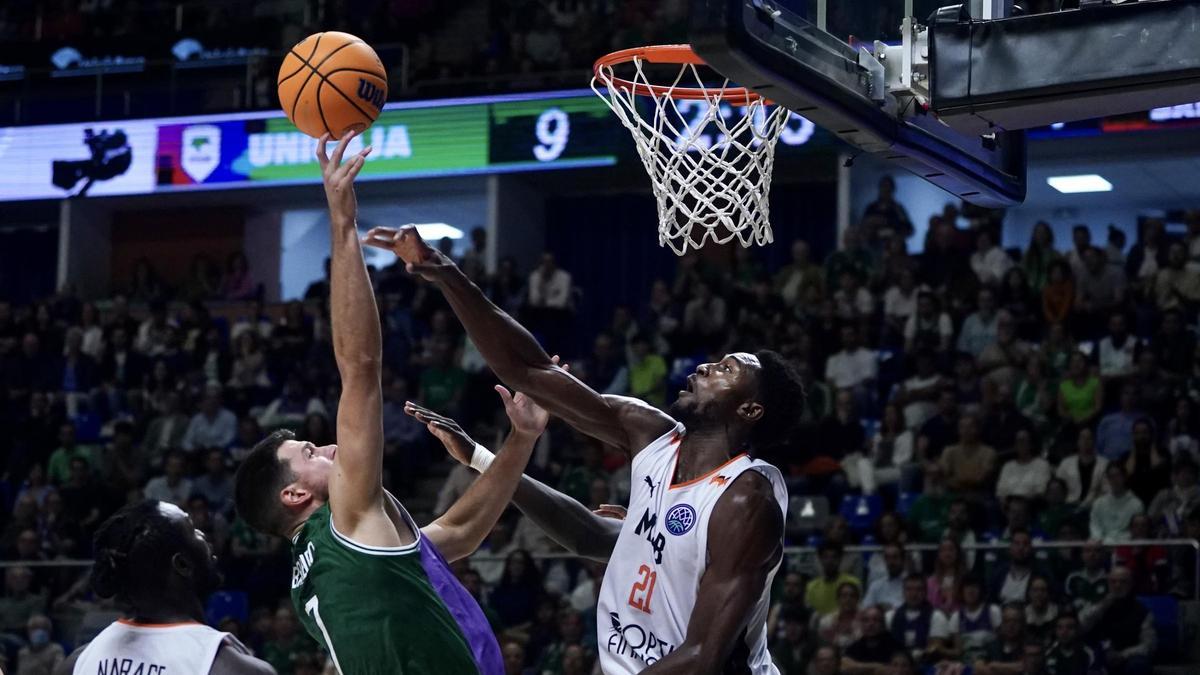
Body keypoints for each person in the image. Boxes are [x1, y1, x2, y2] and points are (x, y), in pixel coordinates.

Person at [367, 208, 805, 675]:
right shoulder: (649, 433)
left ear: (750, 410)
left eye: (726, 370)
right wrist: (445, 273)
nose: (704, 367)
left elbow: (702, 659)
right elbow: (529, 370)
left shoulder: (746, 500)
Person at [233, 134, 545, 674]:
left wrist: (521, 439)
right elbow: (360, 368)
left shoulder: (325, 565)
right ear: (295, 494)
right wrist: (342, 222)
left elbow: (459, 534)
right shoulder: (347, 521)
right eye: (310, 452)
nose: (329, 447)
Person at [54, 500, 275, 674]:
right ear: (182, 565)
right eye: (192, 529)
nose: (202, 534)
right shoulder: (234, 668)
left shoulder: (77, 663)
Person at [1079, 567, 1155, 675]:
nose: (1117, 585)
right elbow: (1080, 628)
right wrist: (1102, 606)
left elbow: (1149, 645)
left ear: (1131, 584)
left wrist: (1123, 655)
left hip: (1126, 657)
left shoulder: (1142, 612)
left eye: (1123, 582)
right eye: (1113, 582)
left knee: (1139, 665)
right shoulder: (1096, 604)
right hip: (1097, 655)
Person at [885, 575, 938, 662]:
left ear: (925, 592)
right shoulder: (890, 616)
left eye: (918, 589)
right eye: (909, 589)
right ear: (903, 592)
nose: (914, 594)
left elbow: (935, 649)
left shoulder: (936, 616)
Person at [1089, 464, 1145, 543]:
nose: (1115, 479)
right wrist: (1098, 539)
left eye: (1118, 475)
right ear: (1108, 479)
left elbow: (1136, 530)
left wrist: (1118, 541)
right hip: (1101, 544)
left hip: (1126, 544)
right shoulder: (1099, 503)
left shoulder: (1136, 504)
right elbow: (1095, 525)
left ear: (1125, 477)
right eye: (1111, 476)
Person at [1055, 427, 1108, 507]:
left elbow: (1107, 489)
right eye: (1082, 438)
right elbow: (1058, 487)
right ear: (1078, 441)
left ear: (1094, 441)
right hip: (1069, 505)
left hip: (1094, 506)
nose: (1085, 441)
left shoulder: (1104, 463)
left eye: (1089, 438)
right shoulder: (1066, 463)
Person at [840, 607, 903, 675]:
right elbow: (844, 666)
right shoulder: (856, 646)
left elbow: (893, 670)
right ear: (861, 624)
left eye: (875, 620)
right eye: (866, 620)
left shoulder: (895, 646)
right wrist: (876, 666)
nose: (870, 624)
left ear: (883, 624)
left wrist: (857, 667)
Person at [808, 542, 864, 617]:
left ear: (840, 559)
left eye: (834, 557)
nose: (830, 561)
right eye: (825, 557)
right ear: (820, 559)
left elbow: (859, 609)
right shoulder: (812, 586)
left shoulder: (853, 582)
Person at [1064, 542, 1109, 614]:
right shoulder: (1073, 578)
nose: (1092, 555)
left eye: (1097, 551)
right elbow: (1067, 604)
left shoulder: (1110, 578)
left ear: (1103, 555)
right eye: (1088, 551)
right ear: (1082, 555)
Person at [863, 544, 907, 611]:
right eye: (887, 558)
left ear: (903, 559)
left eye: (895, 557)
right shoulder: (876, 585)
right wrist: (879, 607)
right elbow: (865, 609)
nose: (891, 562)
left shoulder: (911, 585)